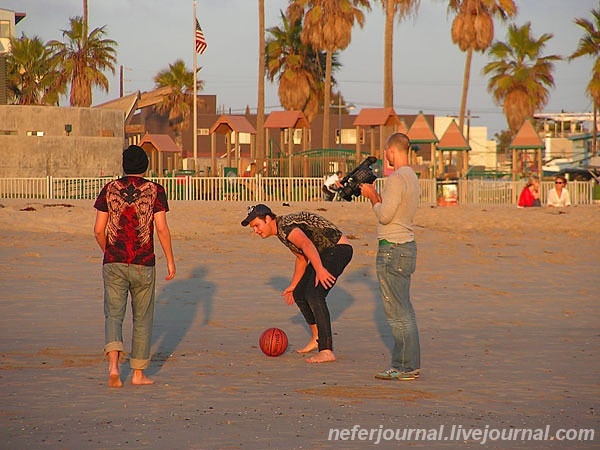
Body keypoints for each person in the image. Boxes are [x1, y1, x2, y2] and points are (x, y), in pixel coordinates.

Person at [93, 145, 176, 387]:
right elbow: (161, 228)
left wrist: (109, 250)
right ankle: (138, 374)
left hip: (114, 262)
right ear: (146, 166)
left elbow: (98, 230)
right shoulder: (155, 190)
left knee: (113, 315)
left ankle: (113, 368)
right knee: (142, 318)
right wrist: (170, 260)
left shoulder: (109, 189)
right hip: (143, 263)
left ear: (124, 165)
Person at [241, 204, 353, 363]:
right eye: (253, 228)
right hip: (323, 253)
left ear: (267, 219)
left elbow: (307, 245)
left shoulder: (286, 227)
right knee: (300, 294)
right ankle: (316, 339)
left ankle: (326, 350)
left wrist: (320, 269)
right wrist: (294, 285)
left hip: (338, 249)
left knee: (315, 295)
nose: (256, 231)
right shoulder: (281, 231)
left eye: (257, 226)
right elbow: (301, 258)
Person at [360, 132, 421, 381]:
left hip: (392, 248)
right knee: (404, 308)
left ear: (391, 151)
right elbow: (395, 210)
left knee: (397, 312)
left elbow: (385, 215)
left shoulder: (396, 178)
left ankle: (404, 367)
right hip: (407, 246)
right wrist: (378, 198)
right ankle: (409, 364)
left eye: (386, 152)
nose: (385, 157)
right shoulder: (412, 177)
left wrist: (372, 197)